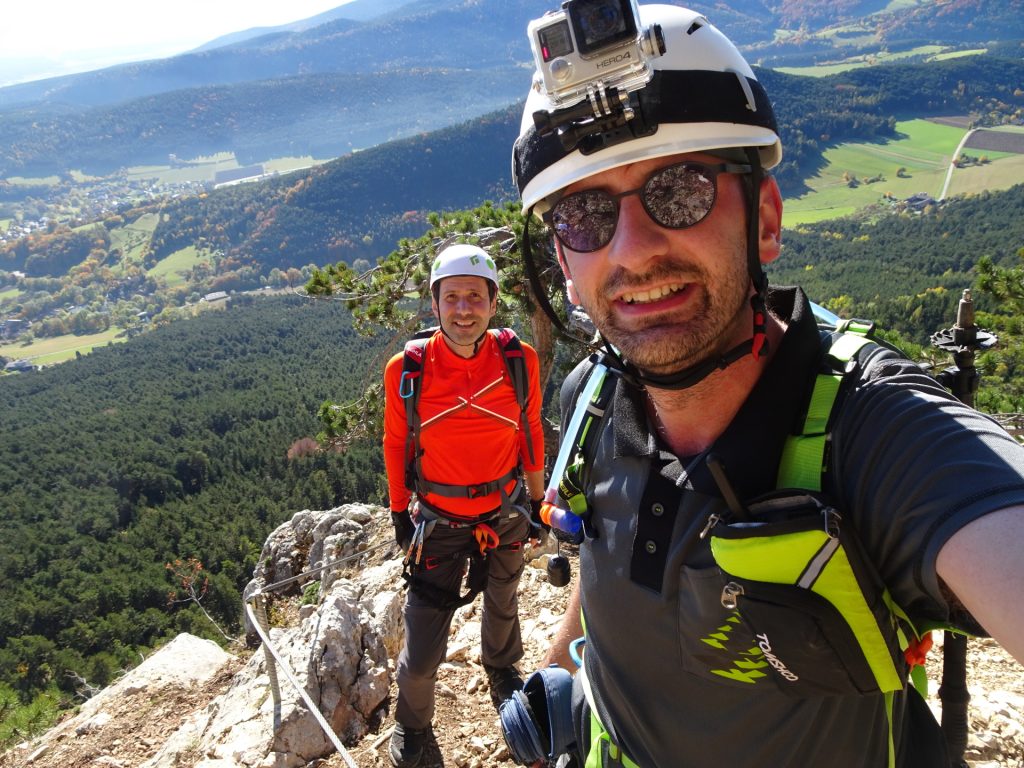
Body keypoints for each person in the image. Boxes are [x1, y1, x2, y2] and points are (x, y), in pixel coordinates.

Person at [510, 3, 1024, 766]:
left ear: (766, 221)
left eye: (678, 190)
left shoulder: (875, 435)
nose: (634, 250)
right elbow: (613, 560)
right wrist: (560, 668)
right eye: (585, 214)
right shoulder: (592, 399)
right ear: (565, 264)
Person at [382, 243, 547, 768]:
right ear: (434, 305)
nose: (462, 309)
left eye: (474, 297)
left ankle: (501, 667)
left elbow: (531, 429)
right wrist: (397, 513)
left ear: (493, 303)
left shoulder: (520, 361)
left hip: (506, 507)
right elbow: (393, 442)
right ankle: (412, 727)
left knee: (504, 593)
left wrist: (539, 501)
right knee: (426, 632)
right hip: (438, 518)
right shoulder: (407, 370)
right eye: (451, 297)